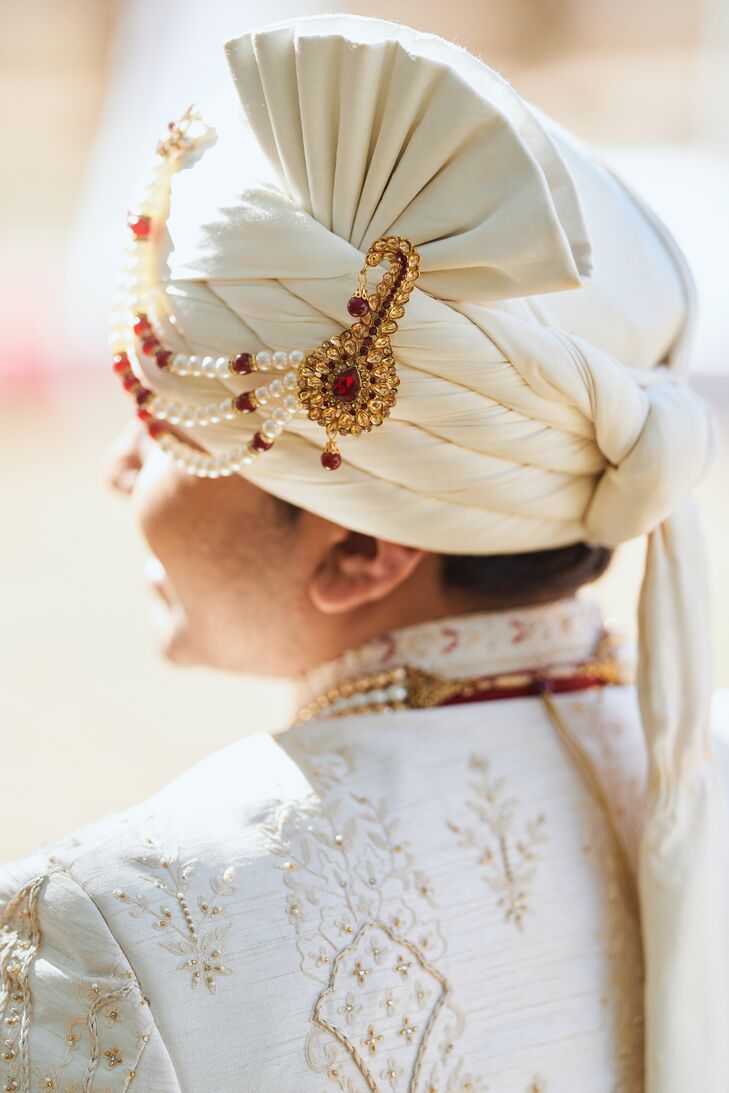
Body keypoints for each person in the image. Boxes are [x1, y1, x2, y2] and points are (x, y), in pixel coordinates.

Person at [2, 14, 728, 1093]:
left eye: (174, 427)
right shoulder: (691, 798)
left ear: (355, 550)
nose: (119, 466)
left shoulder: (117, 929)